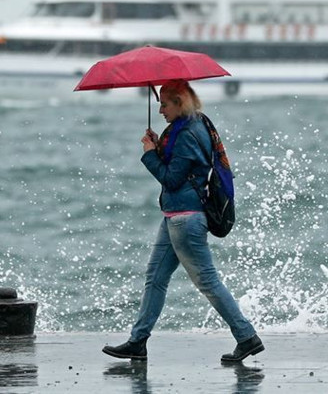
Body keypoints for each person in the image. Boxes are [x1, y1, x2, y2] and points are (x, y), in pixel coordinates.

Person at [102, 79, 264, 363]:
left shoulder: (188, 133)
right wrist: (159, 146)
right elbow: (178, 167)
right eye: (160, 103)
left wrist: (150, 155)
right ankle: (138, 341)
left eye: (165, 104)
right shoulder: (188, 127)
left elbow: (172, 179)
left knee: (208, 282)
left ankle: (246, 336)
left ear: (180, 103)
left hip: (186, 219)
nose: (161, 109)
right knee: (155, 278)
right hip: (175, 216)